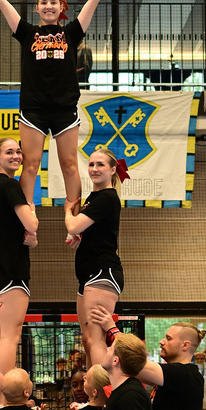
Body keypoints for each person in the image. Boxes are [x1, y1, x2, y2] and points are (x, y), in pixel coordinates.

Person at [0, 0, 130, 206]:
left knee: (70, 165)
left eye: (53, 2)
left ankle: (73, 217)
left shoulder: (71, 32)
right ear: (36, 8)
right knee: (30, 165)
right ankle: (26, 214)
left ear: (61, 7)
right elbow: (1, 2)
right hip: (34, 108)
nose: (49, 6)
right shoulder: (27, 32)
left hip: (64, 108)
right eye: (43, 2)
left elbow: (94, 0)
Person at [64, 147, 126, 367]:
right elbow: (89, 231)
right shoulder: (94, 197)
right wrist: (80, 239)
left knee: (95, 338)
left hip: (103, 272)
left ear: (112, 170)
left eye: (100, 164)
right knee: (87, 339)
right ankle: (93, 386)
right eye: (91, 164)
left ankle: (102, 387)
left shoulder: (107, 197)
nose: (94, 169)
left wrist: (67, 210)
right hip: (88, 274)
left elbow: (73, 225)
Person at [0, 136, 39, 374]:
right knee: (9, 337)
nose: (16, 156)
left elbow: (15, 233)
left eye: (18, 151)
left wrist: (31, 240)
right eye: (9, 152)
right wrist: (32, 212)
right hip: (10, 271)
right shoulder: (8, 185)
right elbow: (31, 224)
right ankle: (2, 389)